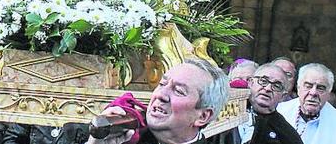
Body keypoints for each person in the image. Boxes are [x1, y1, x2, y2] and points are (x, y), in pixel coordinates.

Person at [86, 59, 229, 144]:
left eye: (178, 91)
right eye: (161, 84)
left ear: (202, 116)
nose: (161, 94)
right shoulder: (123, 135)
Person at [212, 63, 303, 144]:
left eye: (276, 86)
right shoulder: (225, 111)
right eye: (263, 81)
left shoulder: (286, 134)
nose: (267, 88)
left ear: (283, 96)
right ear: (251, 83)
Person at [277, 63, 336, 144]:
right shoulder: (279, 112)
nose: (313, 92)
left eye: (320, 88)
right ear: (298, 87)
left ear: (329, 92)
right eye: (308, 86)